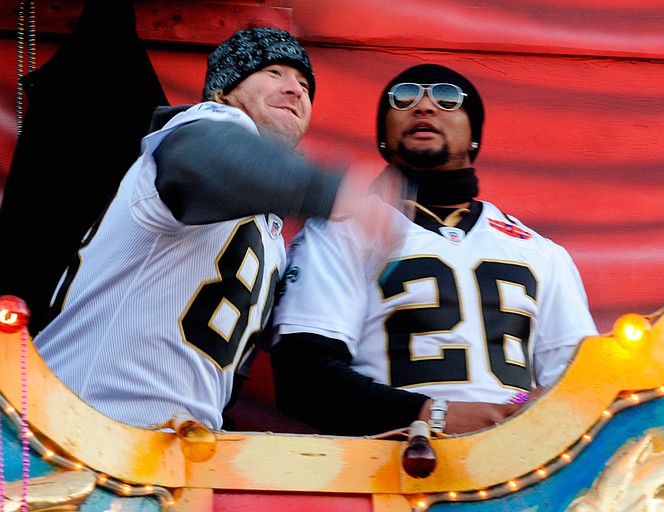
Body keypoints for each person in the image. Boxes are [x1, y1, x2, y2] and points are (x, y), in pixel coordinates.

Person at [32, 27, 403, 431]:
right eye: (275, 73)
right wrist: (333, 190)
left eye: (304, 84)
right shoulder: (206, 124)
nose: (295, 89)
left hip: (164, 451)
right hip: (83, 426)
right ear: (223, 91)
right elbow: (202, 159)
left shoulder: (270, 225)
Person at [269, 63, 598, 436]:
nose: (424, 107)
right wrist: (431, 414)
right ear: (384, 137)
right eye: (404, 97)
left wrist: (535, 414)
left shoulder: (541, 252)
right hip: (389, 468)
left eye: (446, 97)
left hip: (518, 472)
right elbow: (303, 379)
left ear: (474, 134)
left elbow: (580, 390)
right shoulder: (342, 229)